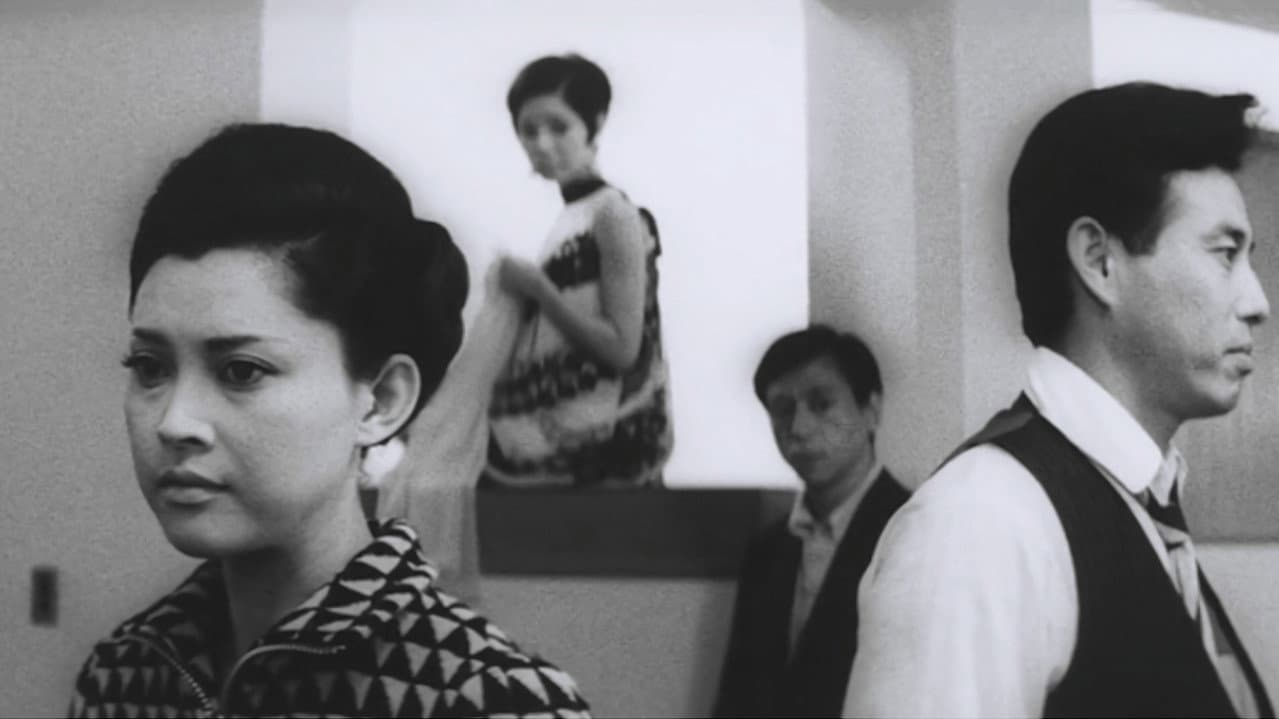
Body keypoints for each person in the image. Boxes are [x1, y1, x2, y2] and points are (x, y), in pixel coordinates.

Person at [69, 123, 591, 718]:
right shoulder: (120, 677)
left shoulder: (496, 703)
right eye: (149, 366)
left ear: (381, 400)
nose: (174, 422)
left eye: (241, 370)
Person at [845, 82, 1274, 718]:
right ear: (1099, 261)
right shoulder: (981, 523)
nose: (1257, 302)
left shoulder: (1137, 503)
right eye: (1224, 253)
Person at [485, 53, 673, 488]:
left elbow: (622, 348)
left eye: (558, 126)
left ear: (595, 123)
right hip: (572, 434)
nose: (542, 144)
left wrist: (538, 289)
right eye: (528, 130)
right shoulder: (574, 216)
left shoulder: (612, 213)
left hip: (610, 444)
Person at [715, 325, 910, 717]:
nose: (799, 428)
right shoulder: (768, 549)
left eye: (821, 404)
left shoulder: (910, 530)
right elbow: (737, 698)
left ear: (871, 411)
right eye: (782, 409)